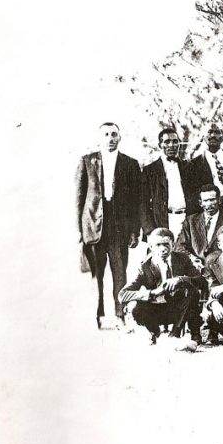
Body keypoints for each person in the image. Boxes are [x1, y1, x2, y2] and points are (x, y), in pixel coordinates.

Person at [76, 122, 142, 327]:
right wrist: (80, 231)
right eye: (106, 134)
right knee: (96, 273)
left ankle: (120, 314)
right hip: (94, 226)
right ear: (100, 138)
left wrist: (134, 231)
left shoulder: (130, 164)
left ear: (120, 137)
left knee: (120, 271)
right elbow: (79, 198)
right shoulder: (87, 161)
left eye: (114, 134)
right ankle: (97, 315)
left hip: (120, 226)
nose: (110, 138)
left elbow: (136, 200)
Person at [119, 227, 205, 349]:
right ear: (151, 247)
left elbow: (202, 282)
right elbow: (122, 294)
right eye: (158, 245)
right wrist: (152, 293)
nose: (163, 249)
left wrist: (181, 280)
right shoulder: (144, 266)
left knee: (192, 291)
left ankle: (177, 334)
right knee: (134, 307)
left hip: (177, 308)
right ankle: (154, 333)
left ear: (173, 245)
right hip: (155, 310)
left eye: (166, 244)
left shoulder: (183, 259)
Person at [141, 127, 197, 237]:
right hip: (162, 222)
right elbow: (143, 203)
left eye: (175, 141)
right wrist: (150, 230)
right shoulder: (150, 170)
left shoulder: (189, 167)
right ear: (160, 145)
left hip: (187, 221)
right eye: (167, 142)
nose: (171, 145)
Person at [176, 183, 223, 263]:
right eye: (205, 201)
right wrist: (193, 259)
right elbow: (180, 247)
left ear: (219, 200)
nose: (209, 204)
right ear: (200, 203)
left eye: (212, 200)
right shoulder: (190, 221)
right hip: (195, 268)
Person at [186, 123, 223, 202]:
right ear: (203, 137)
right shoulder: (194, 164)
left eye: (217, 132)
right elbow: (192, 193)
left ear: (222, 138)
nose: (213, 135)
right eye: (209, 132)